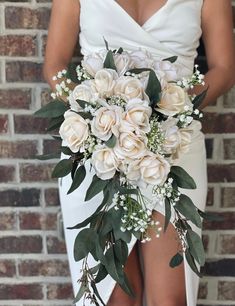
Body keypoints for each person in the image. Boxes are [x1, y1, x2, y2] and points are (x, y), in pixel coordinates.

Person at [43, 1, 235, 306]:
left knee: (170, 300)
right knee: (113, 299)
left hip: (174, 145)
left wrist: (170, 109)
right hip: (98, 150)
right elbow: (54, 65)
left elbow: (224, 69)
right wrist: (97, 116)